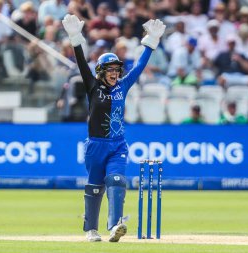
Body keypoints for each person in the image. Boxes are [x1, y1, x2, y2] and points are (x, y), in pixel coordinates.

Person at [62, 14, 165, 242]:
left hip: (118, 145)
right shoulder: (92, 85)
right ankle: (91, 229)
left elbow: (139, 67)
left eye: (117, 69)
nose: (115, 73)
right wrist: (75, 37)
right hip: (95, 145)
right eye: (110, 69)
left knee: (117, 180)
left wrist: (150, 43)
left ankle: (115, 226)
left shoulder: (123, 85)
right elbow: (80, 62)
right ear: (100, 71)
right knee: (95, 187)